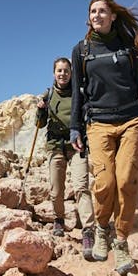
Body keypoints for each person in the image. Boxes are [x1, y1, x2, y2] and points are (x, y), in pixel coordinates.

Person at [69, 0, 138, 276]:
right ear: (89, 18)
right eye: (92, 11)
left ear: (112, 16)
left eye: (102, 11)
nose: (97, 15)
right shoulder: (81, 50)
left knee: (126, 181)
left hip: (132, 119)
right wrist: (76, 126)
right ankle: (102, 229)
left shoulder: (128, 47)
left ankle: (120, 240)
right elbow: (77, 92)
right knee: (104, 182)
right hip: (98, 123)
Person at [36, 57, 96, 260]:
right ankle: (59, 220)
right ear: (54, 73)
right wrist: (40, 110)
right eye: (59, 71)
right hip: (55, 147)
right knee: (56, 190)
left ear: (71, 73)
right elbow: (40, 125)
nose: (63, 74)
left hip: (77, 144)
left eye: (66, 71)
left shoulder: (79, 93)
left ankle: (88, 231)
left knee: (81, 187)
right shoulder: (49, 95)